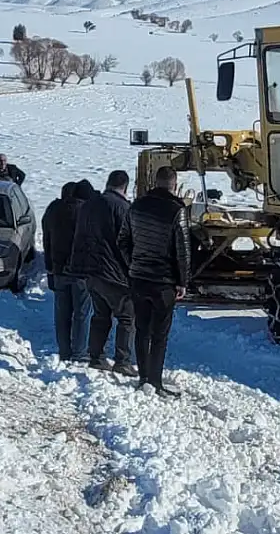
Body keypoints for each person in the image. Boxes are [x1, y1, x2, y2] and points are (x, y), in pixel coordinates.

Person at [117, 166, 191, 397]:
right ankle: (155, 381)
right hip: (164, 281)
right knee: (160, 334)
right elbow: (183, 250)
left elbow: (122, 240)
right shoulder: (177, 210)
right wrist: (183, 281)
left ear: (154, 181)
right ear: (174, 184)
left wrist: (133, 263)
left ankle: (143, 377)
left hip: (138, 277)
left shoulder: (136, 206)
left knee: (141, 329)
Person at [68, 170, 136, 376]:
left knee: (100, 315)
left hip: (90, 270)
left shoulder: (88, 205)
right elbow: (128, 243)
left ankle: (97, 356)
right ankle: (122, 361)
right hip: (114, 272)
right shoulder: (123, 208)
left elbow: (79, 235)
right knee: (127, 316)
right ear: (125, 186)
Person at [42, 182, 91, 363]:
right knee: (81, 313)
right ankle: (79, 352)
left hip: (58, 269)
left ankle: (64, 351)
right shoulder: (86, 213)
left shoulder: (53, 211)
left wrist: (49, 268)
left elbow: (46, 241)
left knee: (62, 313)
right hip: (80, 272)